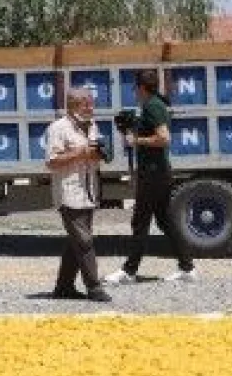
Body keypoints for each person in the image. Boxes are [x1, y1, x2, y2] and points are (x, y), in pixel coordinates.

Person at [105, 72, 195, 284]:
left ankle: (129, 271)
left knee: (140, 221)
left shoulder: (153, 106)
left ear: (141, 88)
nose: (134, 92)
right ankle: (187, 268)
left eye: (135, 88)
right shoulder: (155, 104)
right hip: (157, 172)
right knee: (165, 221)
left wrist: (136, 140)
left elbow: (164, 138)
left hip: (154, 174)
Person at [45, 89, 112, 302]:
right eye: (87, 104)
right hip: (69, 193)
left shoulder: (92, 126)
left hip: (88, 191)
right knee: (84, 241)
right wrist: (80, 152)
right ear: (74, 105)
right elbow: (51, 161)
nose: (92, 108)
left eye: (92, 104)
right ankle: (94, 287)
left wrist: (99, 154)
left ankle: (63, 287)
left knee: (76, 241)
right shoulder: (58, 128)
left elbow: (92, 156)